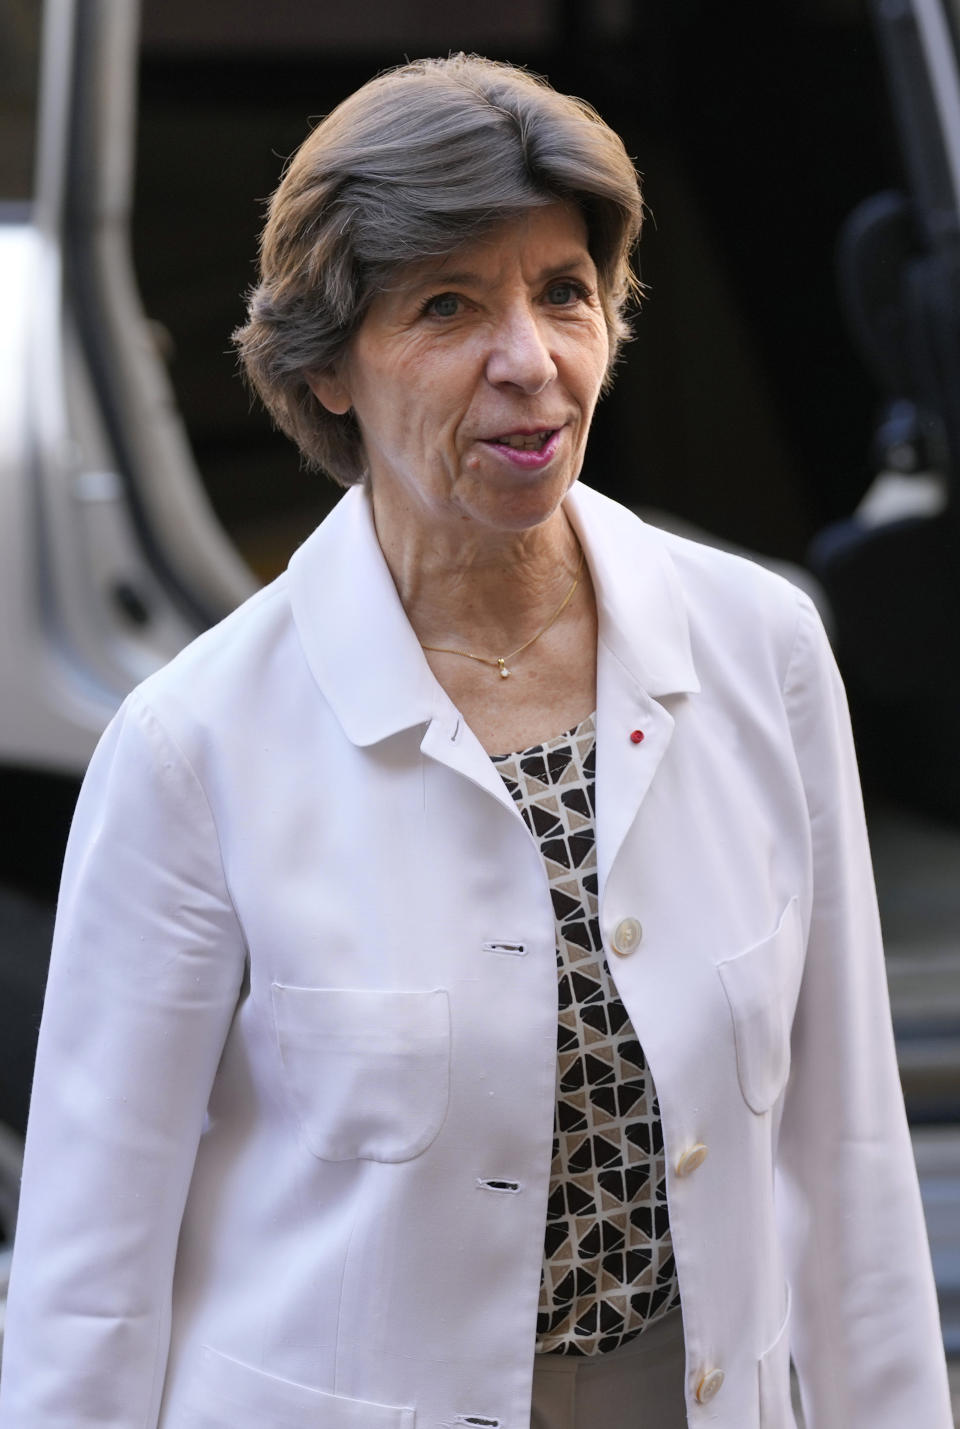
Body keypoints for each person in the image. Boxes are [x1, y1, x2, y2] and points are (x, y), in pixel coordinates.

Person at [0, 54, 951, 1429]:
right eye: (449, 306)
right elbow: (90, 1274)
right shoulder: (190, 746)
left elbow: (851, 1155)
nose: (531, 361)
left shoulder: (764, 649)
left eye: (564, 293)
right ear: (327, 369)